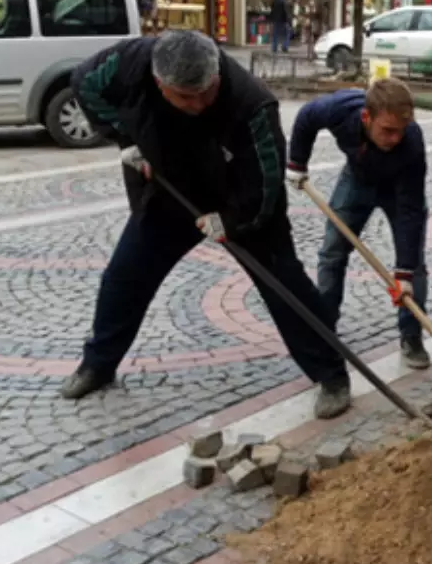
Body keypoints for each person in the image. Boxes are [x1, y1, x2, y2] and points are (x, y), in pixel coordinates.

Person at [61, 30, 352, 420]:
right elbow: (83, 83)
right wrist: (123, 136)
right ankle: (98, 363)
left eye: (206, 92)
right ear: (158, 81)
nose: (197, 103)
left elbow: (265, 188)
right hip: (168, 188)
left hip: (237, 195)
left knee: (284, 284)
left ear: (216, 71)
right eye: (184, 96)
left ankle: (331, 374)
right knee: (125, 277)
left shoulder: (253, 104)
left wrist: (230, 221)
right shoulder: (130, 62)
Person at [286, 79, 431, 370]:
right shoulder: (340, 110)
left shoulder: (411, 144)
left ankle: (411, 334)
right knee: (332, 253)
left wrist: (403, 273)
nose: (394, 139)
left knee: (414, 267)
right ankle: (325, 329)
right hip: (357, 179)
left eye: (400, 131)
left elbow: (410, 212)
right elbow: (306, 118)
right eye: (387, 130)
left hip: (398, 191)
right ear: (367, 117)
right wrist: (297, 164)